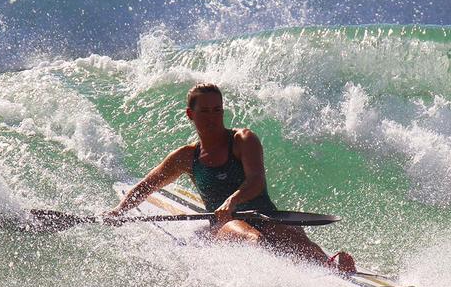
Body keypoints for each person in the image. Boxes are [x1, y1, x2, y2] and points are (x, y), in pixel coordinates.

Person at [105, 83, 355, 272]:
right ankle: (279, 281)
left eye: (217, 110)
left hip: (263, 214)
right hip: (225, 225)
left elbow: (255, 180)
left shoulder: (242, 140)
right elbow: (147, 186)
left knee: (299, 243)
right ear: (190, 115)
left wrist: (233, 200)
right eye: (205, 111)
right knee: (253, 239)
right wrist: (118, 211)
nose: (213, 117)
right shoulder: (186, 156)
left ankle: (331, 270)